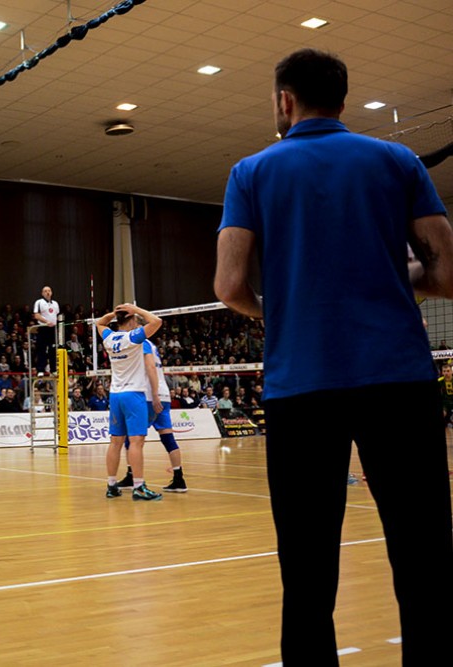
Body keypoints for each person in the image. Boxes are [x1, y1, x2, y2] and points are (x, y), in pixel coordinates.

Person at [213, 48, 453, 664]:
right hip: (399, 380)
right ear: (342, 101)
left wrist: (284, 306)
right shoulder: (397, 161)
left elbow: (230, 287)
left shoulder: (251, 172)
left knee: (307, 570)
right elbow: (447, 272)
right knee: (425, 559)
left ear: (284, 100)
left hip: (301, 387)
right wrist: (399, 279)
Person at [97, 304, 163, 501]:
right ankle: (139, 487)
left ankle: (111, 485)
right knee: (136, 442)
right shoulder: (133, 337)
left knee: (115, 441)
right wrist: (136, 309)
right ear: (132, 320)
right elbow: (157, 321)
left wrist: (114, 313)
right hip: (133, 394)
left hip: (115, 395)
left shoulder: (109, 338)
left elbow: (100, 323)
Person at [117, 340, 187, 493]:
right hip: (164, 395)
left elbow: (150, 368)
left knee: (133, 438)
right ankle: (179, 478)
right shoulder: (152, 345)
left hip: (149, 395)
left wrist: (154, 395)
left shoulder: (139, 342)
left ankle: (132, 476)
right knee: (168, 438)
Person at [31, 285, 59, 375]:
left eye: (49, 291)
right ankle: (40, 370)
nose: (47, 292)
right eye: (45, 291)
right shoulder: (39, 302)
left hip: (53, 329)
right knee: (41, 349)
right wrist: (47, 322)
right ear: (42, 293)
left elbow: (56, 315)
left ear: (51, 292)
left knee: (53, 349)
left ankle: (53, 369)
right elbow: (36, 315)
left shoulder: (55, 303)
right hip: (43, 327)